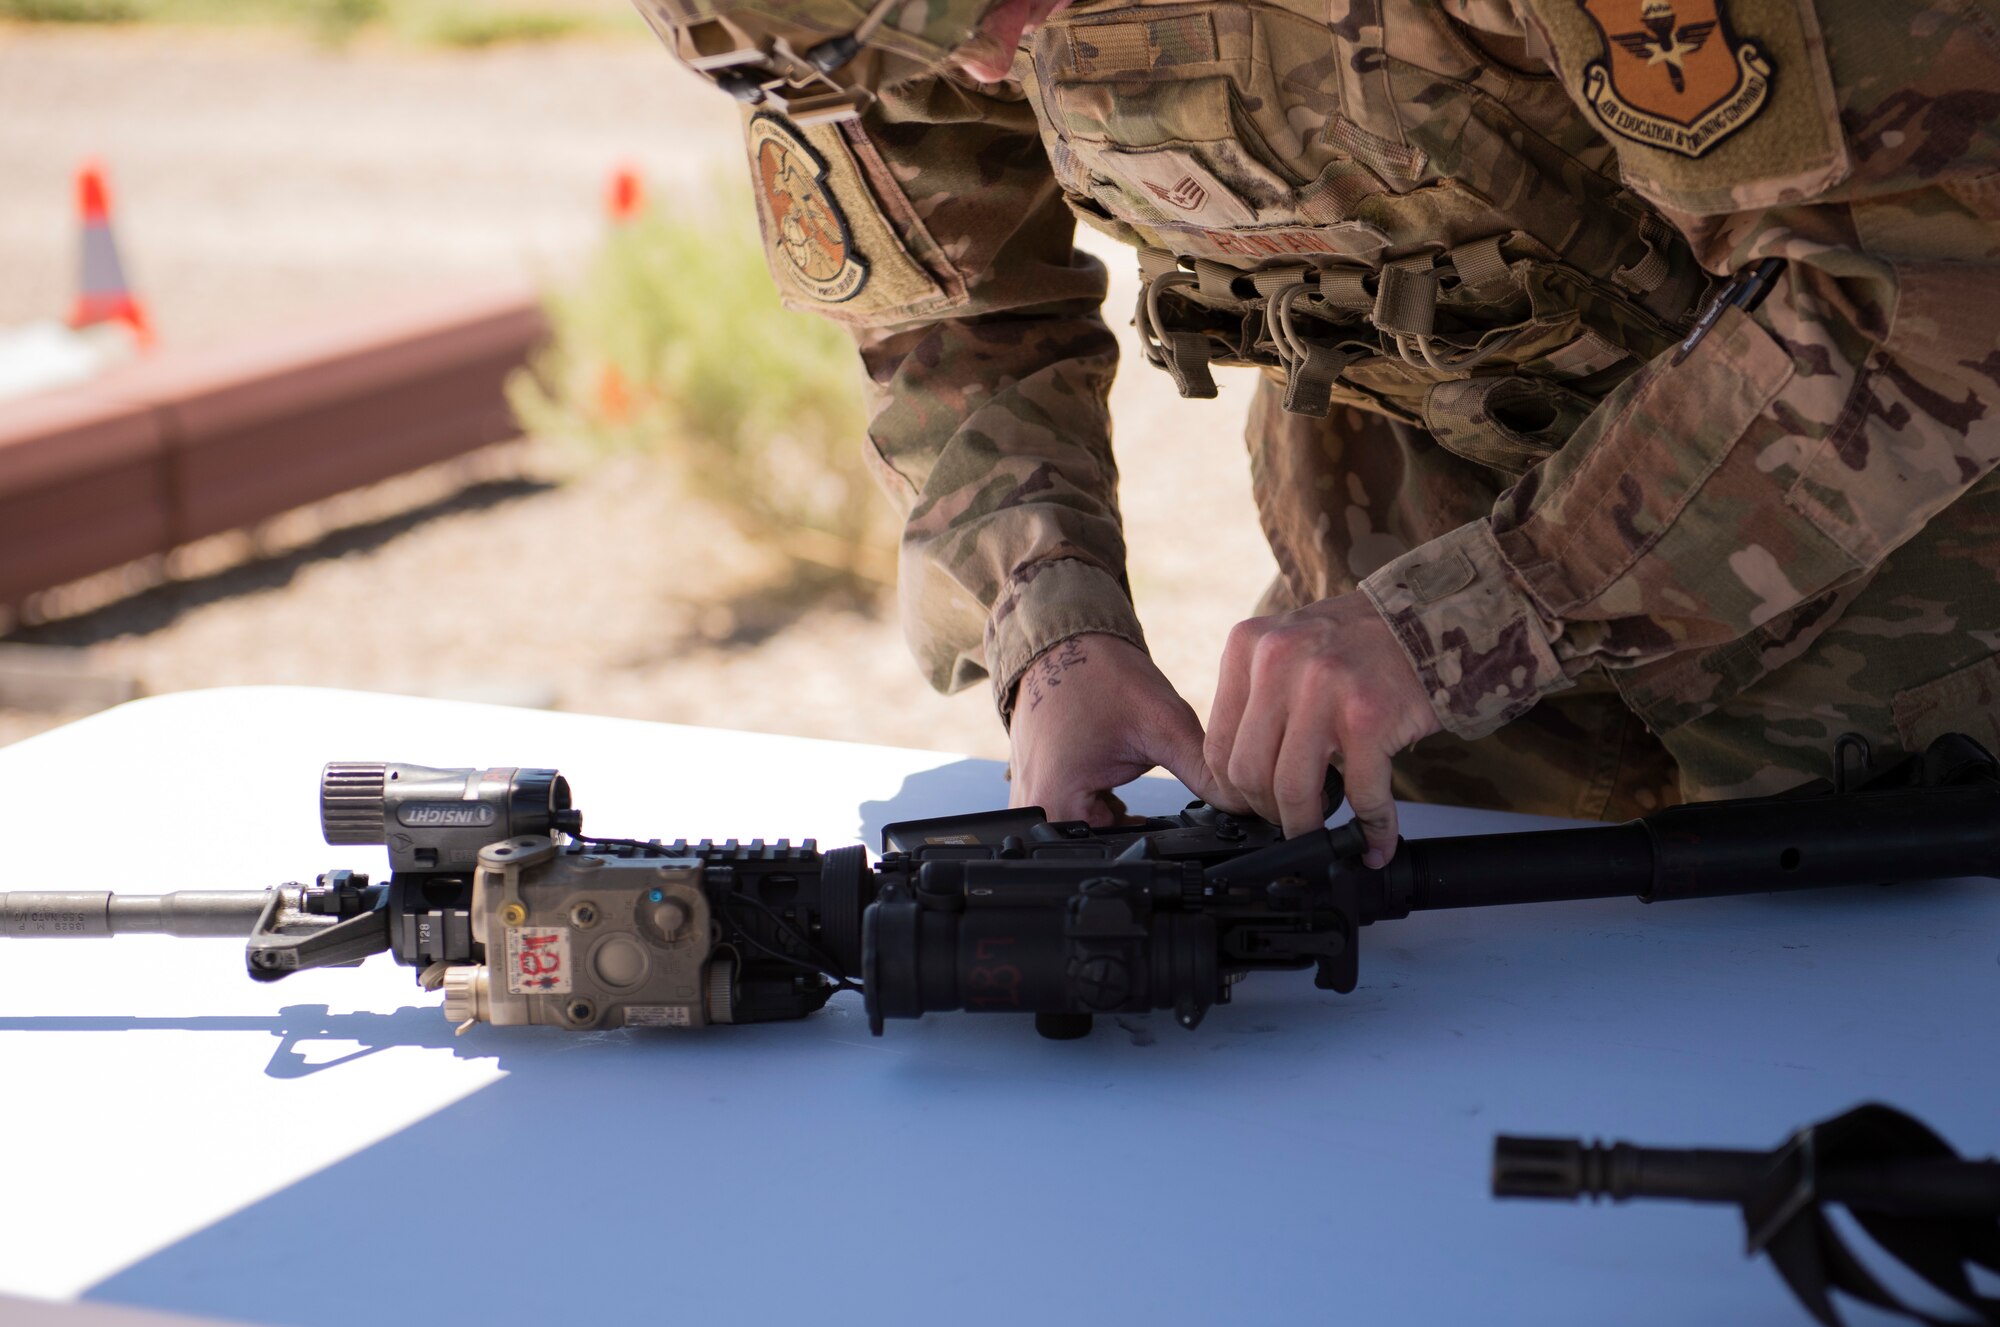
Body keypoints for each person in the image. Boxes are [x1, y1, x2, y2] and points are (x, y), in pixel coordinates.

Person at [640, 0, 2000, 865]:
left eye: (986, 9)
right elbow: (951, 304)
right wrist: (1047, 617)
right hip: (1406, 585)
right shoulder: (867, 14)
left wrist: (1475, 616)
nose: (989, 61)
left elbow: (1921, 278)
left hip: (1901, 617)